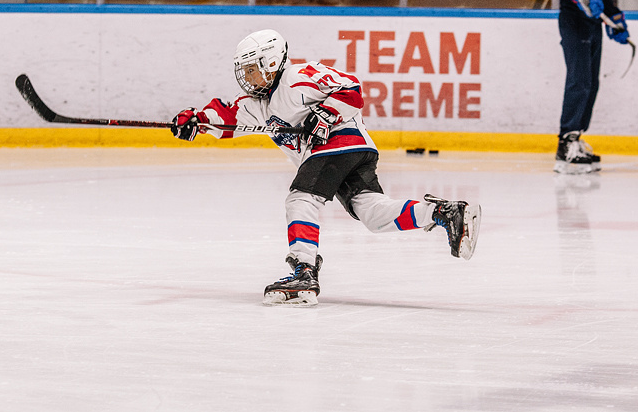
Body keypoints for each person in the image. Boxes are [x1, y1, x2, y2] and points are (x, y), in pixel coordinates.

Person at [170, 29, 481, 306]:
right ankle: (445, 213)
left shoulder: (298, 77)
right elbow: (226, 117)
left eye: (253, 70)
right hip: (351, 153)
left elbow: (352, 89)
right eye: (245, 72)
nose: (248, 78)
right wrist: (196, 121)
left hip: (340, 141)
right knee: (373, 213)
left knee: (300, 199)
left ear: (271, 62)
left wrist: (323, 115)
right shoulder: (255, 104)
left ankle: (303, 270)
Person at [544, 0, 631, 175]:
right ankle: (564, 145)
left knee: (591, 84)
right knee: (579, 81)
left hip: (594, 24)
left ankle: (577, 138)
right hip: (573, 22)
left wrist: (613, 14)